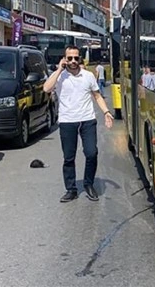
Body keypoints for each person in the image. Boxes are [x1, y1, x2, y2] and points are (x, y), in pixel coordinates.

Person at [44, 45, 114, 203]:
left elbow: (97, 96)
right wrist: (59, 70)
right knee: (69, 157)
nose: (73, 61)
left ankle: (88, 184)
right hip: (67, 121)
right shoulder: (60, 76)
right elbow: (46, 88)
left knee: (91, 153)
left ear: (80, 58)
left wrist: (106, 112)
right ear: (64, 59)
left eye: (76, 58)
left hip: (87, 120)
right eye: (69, 58)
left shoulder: (88, 76)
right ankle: (71, 189)